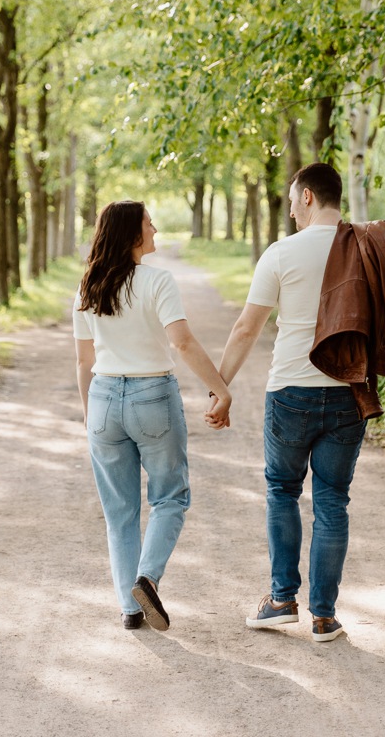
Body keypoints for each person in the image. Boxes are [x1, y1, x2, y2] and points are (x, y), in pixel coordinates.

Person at [219, 162, 385, 643]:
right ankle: (325, 617)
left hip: (290, 390)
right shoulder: (366, 247)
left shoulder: (282, 253)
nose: (289, 210)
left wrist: (219, 387)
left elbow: (247, 328)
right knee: (333, 502)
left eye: (292, 199)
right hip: (350, 391)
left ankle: (282, 599)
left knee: (282, 491)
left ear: (308, 196)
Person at [73, 199, 231, 632]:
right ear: (132, 233)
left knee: (120, 512)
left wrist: (91, 416)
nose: (156, 229)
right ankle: (147, 578)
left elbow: (84, 362)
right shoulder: (157, 281)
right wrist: (220, 388)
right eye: (149, 223)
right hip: (152, 397)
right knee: (170, 497)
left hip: (103, 398)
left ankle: (130, 606)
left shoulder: (88, 287)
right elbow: (181, 343)